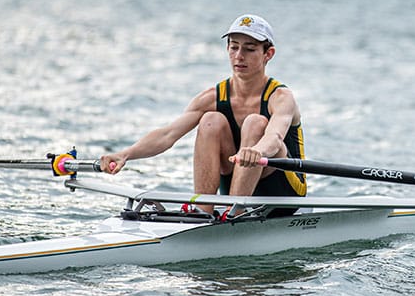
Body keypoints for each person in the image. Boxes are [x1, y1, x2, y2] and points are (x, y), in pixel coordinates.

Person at [99, 14, 306, 217]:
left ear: (268, 54)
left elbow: (274, 137)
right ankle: (203, 210)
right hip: (236, 187)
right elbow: (167, 135)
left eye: (249, 49)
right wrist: (125, 154)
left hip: (284, 193)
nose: (239, 56)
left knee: (255, 123)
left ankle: (235, 212)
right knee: (210, 120)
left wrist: (256, 151)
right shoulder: (212, 97)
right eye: (234, 47)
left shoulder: (280, 96)